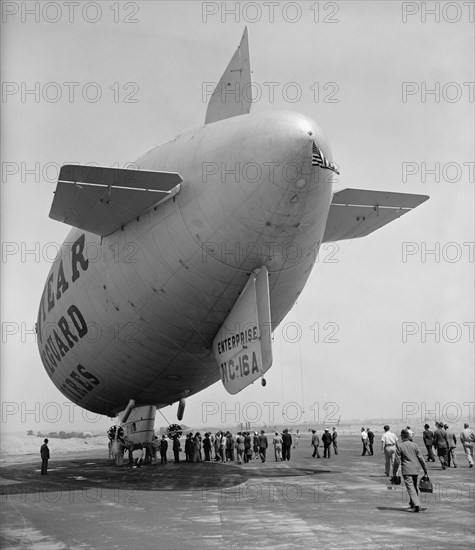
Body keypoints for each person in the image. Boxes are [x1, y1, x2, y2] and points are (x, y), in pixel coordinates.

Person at [395, 429, 428, 513]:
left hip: (407, 469)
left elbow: (397, 460)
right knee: (414, 486)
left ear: (402, 436)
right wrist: (425, 470)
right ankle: (412, 503)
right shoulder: (415, 445)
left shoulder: (400, 446)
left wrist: (394, 472)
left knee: (410, 487)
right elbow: (421, 458)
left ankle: (417, 505)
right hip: (415, 469)